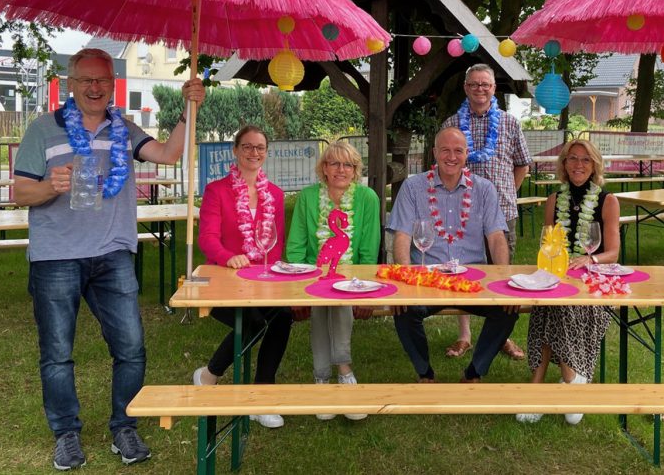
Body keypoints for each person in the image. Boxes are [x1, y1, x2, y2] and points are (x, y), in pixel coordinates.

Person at [13, 48, 204, 470]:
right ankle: (66, 434)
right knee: (57, 353)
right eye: (87, 80)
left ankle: (125, 425)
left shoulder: (125, 129)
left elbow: (170, 154)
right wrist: (50, 186)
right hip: (56, 257)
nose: (96, 87)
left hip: (113, 253)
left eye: (103, 80)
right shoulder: (43, 129)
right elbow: (18, 191)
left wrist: (188, 110)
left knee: (132, 347)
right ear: (71, 85)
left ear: (112, 84)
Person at [388, 127, 518, 383]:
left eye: (458, 150)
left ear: (466, 154)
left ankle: (474, 372)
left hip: (473, 280)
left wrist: (504, 282)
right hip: (427, 280)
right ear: (434, 153)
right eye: (445, 150)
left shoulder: (484, 189)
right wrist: (404, 280)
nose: (451, 156)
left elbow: (496, 238)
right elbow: (401, 239)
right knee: (403, 310)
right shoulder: (413, 187)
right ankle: (425, 373)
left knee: (508, 309)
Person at [192, 125, 292, 429]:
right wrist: (228, 257)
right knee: (253, 323)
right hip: (220, 279)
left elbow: (275, 245)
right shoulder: (216, 190)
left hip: (259, 280)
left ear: (266, 152)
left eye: (260, 147)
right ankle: (209, 374)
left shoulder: (274, 194)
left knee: (282, 316)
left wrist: (267, 277)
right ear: (235, 151)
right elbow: (207, 238)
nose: (254, 153)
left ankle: (262, 395)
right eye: (247, 147)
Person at [516, 139, 620, 425]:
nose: (578, 165)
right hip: (560, 277)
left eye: (585, 160)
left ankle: (563, 379)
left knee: (556, 308)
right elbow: (548, 242)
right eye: (572, 159)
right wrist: (552, 259)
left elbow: (612, 252)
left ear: (595, 165)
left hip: (593, 286)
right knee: (546, 305)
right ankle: (562, 384)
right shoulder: (553, 200)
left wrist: (590, 260)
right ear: (563, 164)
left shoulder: (608, 200)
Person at [441, 64, 531, 362]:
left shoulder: (509, 123)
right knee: (462, 271)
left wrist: (507, 194)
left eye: (486, 85)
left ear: (494, 89)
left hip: (503, 210)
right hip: (461, 210)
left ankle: (501, 334)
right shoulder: (452, 123)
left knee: (501, 272)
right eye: (474, 84)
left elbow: (523, 163)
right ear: (466, 88)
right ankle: (464, 335)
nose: (480, 89)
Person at [286, 140, 380, 421]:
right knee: (320, 303)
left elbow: (369, 250)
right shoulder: (307, 197)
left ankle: (339, 373)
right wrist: (296, 291)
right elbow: (296, 246)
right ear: (324, 169)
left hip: (352, 277)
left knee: (339, 297)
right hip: (313, 274)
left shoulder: (367, 198)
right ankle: (328, 380)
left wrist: (364, 289)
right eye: (334, 163)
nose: (341, 169)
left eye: (348, 164)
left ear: (355, 170)